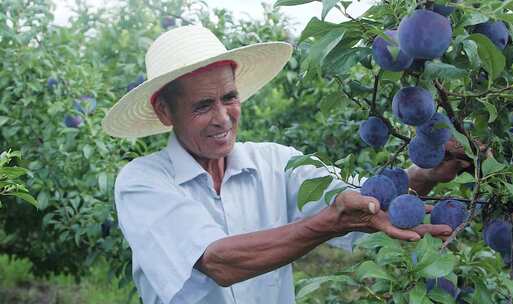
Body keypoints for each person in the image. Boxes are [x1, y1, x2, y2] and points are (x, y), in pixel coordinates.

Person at [103, 26, 470, 304]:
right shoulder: (143, 181)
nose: (223, 118)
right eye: (203, 106)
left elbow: (361, 200)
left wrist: (426, 173)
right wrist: (327, 224)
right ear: (165, 111)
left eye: (230, 98)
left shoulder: (276, 162)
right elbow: (218, 262)